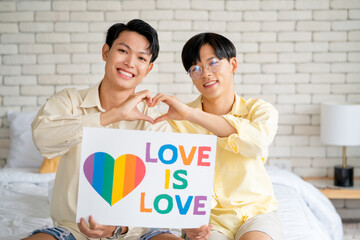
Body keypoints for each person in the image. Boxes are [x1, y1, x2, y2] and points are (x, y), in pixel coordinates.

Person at [23, 19, 173, 240]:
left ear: (148, 68)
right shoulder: (69, 101)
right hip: (73, 230)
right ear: (106, 52)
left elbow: (161, 190)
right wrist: (110, 116)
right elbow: (43, 141)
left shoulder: (155, 120)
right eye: (123, 51)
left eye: (141, 58)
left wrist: (118, 228)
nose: (130, 62)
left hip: (138, 232)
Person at [147, 32, 283, 240]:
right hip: (208, 221)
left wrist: (192, 115)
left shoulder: (259, 110)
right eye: (196, 69)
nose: (205, 74)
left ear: (233, 65)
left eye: (213, 63)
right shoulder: (176, 122)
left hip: (257, 213)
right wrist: (186, 222)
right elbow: (168, 179)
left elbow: (256, 143)